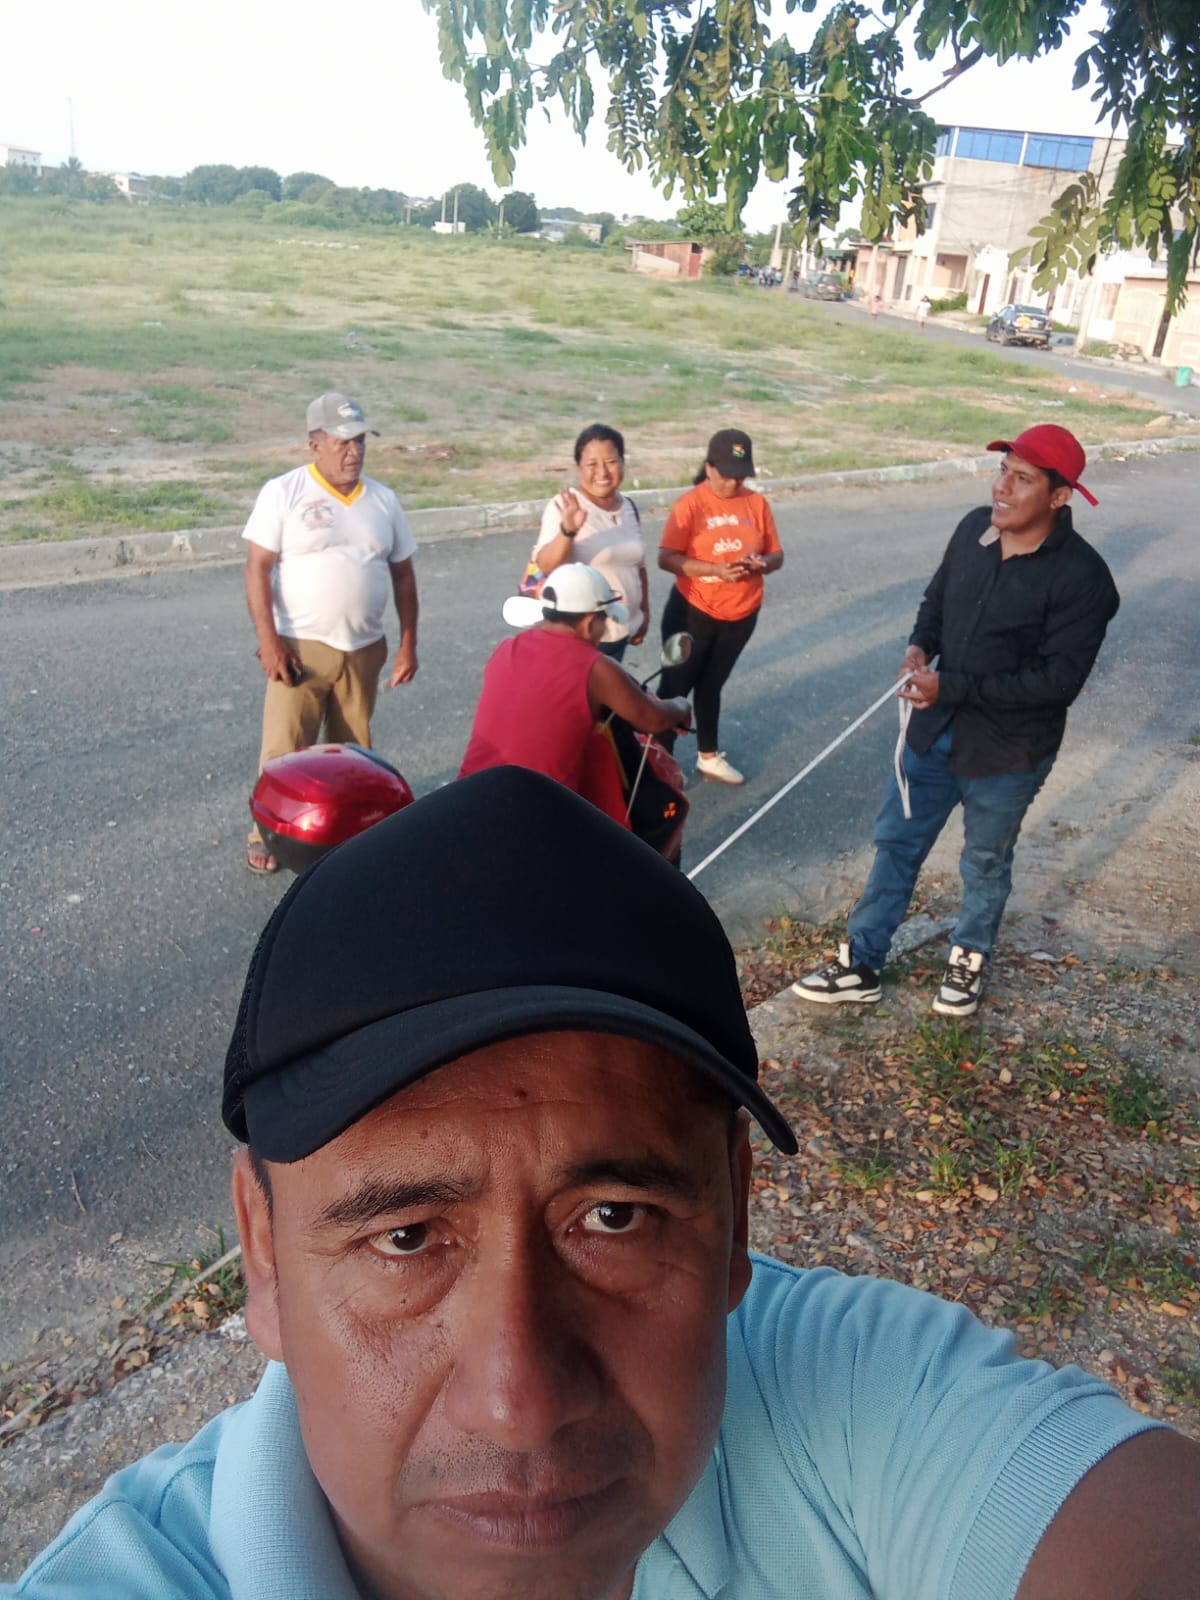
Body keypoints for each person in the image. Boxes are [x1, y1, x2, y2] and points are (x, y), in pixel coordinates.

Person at [11, 767, 1199, 1600]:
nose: (520, 1400)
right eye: (407, 1236)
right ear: (262, 1257)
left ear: (733, 1220)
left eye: (614, 1219)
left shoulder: (845, 1393)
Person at [794, 425, 1119, 1018]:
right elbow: (936, 603)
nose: (1002, 488)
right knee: (895, 845)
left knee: (985, 861)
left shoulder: (1084, 579)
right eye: (1002, 471)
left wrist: (953, 687)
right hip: (931, 734)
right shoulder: (974, 529)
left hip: (1007, 754)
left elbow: (1057, 683)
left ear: (1058, 496)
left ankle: (968, 956)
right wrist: (919, 648)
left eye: (1022, 479)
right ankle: (861, 962)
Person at [242, 392, 419, 875]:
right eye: (342, 442)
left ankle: (343, 835)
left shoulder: (383, 500)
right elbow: (257, 568)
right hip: (299, 647)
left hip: (364, 648)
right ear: (314, 444)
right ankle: (268, 836)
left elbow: (404, 575)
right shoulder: (284, 492)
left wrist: (408, 644)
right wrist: (270, 642)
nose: (353, 452)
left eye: (360, 441)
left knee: (353, 755)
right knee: (284, 751)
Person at [458, 563, 691, 827]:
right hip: (533, 815)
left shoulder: (506, 648)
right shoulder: (595, 667)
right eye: (604, 622)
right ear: (590, 623)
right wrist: (681, 706)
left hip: (467, 796)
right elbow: (654, 720)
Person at [656, 427, 783, 786]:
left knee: (712, 686)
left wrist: (762, 563)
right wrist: (714, 570)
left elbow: (777, 554)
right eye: (726, 474)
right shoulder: (690, 504)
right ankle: (658, 763)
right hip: (690, 612)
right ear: (709, 468)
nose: (733, 482)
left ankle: (708, 756)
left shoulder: (756, 504)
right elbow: (666, 558)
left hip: (741, 614)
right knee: (674, 688)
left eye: (741, 475)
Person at [529, 423, 648, 662]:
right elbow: (545, 566)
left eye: (611, 462)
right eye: (592, 465)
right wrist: (567, 531)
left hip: (623, 629)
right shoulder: (564, 506)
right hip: (587, 637)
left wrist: (643, 614)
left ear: (622, 463)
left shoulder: (628, 507)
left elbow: (638, 567)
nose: (602, 473)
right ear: (578, 468)